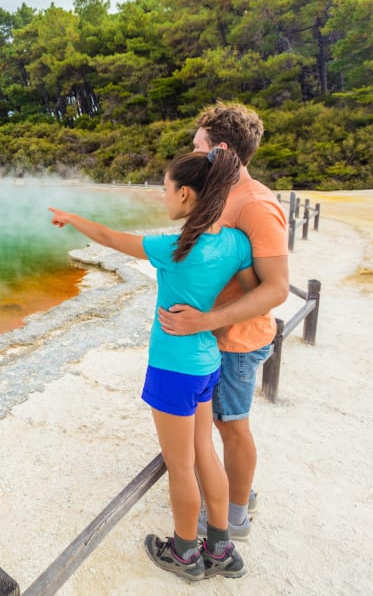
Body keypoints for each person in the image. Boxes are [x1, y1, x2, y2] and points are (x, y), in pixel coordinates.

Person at [50, 148, 253, 581]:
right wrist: (211, 318)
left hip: (173, 368)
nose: (162, 198)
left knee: (180, 467)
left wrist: (70, 217)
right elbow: (249, 290)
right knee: (204, 453)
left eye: (164, 190)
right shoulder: (235, 243)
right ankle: (219, 548)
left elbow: (108, 238)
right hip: (206, 362)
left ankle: (183, 553)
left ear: (184, 194)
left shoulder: (175, 248)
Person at [158, 102, 290, 541]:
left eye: (197, 146)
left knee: (231, 425)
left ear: (221, 149)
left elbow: (275, 289)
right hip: (213, 337)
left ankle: (235, 516)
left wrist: (207, 320)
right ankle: (237, 495)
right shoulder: (221, 195)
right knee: (216, 424)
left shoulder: (254, 205)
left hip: (236, 338)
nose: (191, 151)